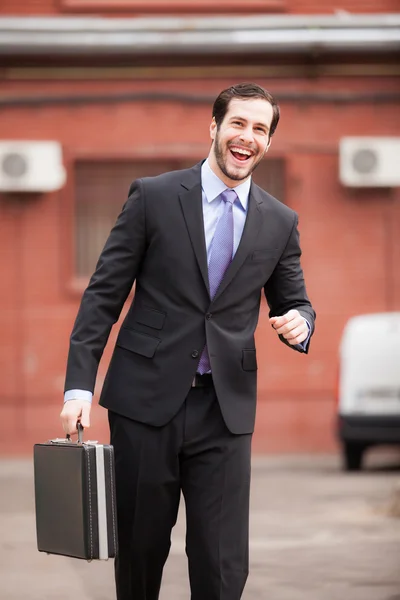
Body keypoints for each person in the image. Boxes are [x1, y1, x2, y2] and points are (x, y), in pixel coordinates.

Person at [61, 82, 316, 600]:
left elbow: (296, 301)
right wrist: (78, 389)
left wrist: (300, 323)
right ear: (215, 128)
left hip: (224, 411)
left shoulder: (280, 221)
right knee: (140, 552)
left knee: (222, 563)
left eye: (260, 129)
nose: (247, 137)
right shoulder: (153, 197)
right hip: (144, 403)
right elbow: (102, 297)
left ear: (268, 142)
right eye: (238, 124)